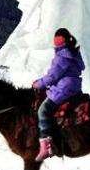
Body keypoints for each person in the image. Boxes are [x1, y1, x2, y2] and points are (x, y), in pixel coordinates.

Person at [31, 28, 85, 161]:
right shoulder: (74, 53)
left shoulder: (62, 56)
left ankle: (46, 147)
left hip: (63, 89)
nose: (56, 43)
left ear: (64, 41)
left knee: (43, 111)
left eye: (58, 40)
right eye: (56, 40)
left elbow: (52, 77)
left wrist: (37, 84)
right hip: (74, 87)